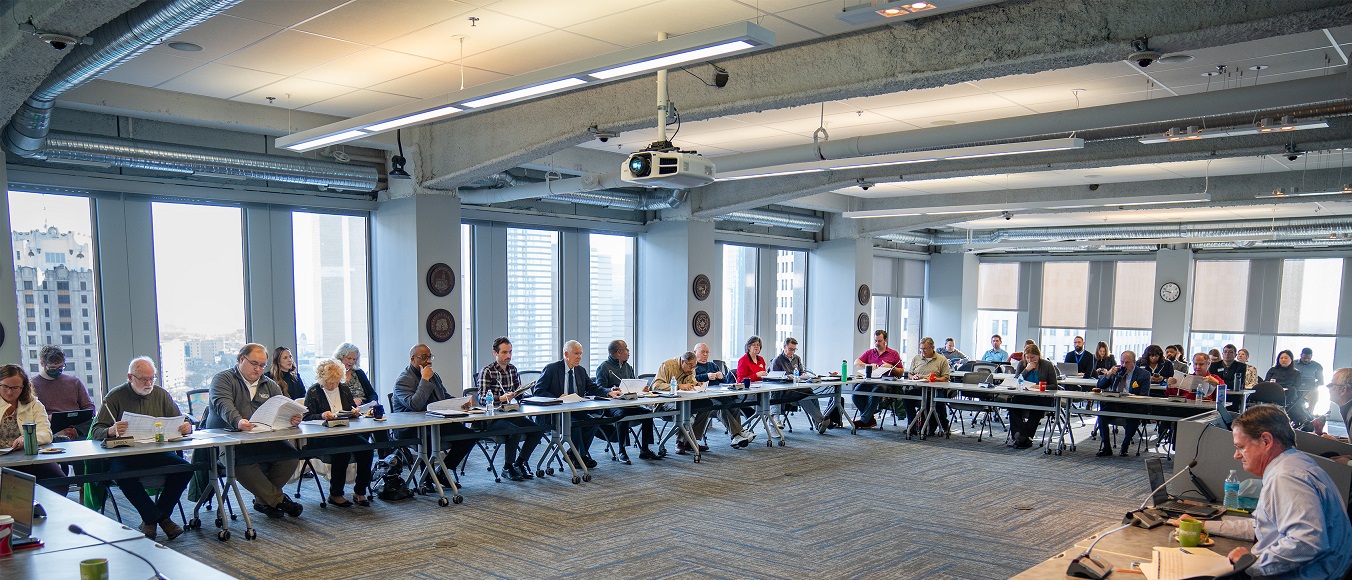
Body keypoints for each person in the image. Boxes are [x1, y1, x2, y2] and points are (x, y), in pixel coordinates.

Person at [1177, 405, 1352, 578]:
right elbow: (1263, 526)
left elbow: (1306, 540)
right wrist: (1204, 525)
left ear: (1266, 441)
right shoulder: (1295, 463)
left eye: (1240, 447)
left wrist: (1250, 564)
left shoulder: (1285, 476)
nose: (1236, 455)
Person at [91, 357, 193, 539]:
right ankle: (161, 519)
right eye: (143, 379)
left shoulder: (161, 394)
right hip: (124, 454)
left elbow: (181, 420)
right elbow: (96, 431)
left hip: (156, 452)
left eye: (152, 378)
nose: (148, 383)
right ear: (130, 377)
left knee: (185, 469)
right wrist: (111, 430)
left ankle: (152, 519)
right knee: (123, 475)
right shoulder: (115, 397)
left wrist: (186, 426)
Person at [203, 343, 303, 519]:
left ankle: (264, 500)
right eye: (254, 363)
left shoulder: (270, 385)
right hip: (228, 441)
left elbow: (280, 409)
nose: (258, 369)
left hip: (261, 439)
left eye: (262, 365)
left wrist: (291, 419)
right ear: (241, 359)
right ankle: (279, 500)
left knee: (291, 455)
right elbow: (223, 405)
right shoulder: (223, 379)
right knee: (241, 461)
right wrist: (238, 421)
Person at [391, 344, 476, 479]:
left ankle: (443, 471)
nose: (429, 361)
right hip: (411, 428)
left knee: (469, 436)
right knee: (429, 439)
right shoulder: (403, 380)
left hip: (434, 422)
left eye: (430, 357)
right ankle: (427, 479)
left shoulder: (433, 376)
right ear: (413, 359)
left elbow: (443, 396)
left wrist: (460, 403)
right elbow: (415, 405)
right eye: (424, 357)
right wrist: (424, 380)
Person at [535, 340, 623, 469]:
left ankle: (575, 454)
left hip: (576, 409)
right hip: (555, 412)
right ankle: (580, 457)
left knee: (593, 422)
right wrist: (557, 398)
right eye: (576, 353)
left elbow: (593, 387)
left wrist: (609, 392)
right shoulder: (552, 369)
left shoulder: (580, 371)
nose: (579, 357)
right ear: (566, 354)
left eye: (581, 354)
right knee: (574, 425)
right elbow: (538, 391)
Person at [302, 358, 374, 507]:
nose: (333, 385)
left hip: (344, 432)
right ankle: (336, 494)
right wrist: (322, 415)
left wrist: (354, 412)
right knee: (342, 451)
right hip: (322, 437)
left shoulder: (344, 388)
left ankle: (360, 491)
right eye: (329, 383)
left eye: (336, 382)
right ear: (322, 379)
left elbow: (349, 409)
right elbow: (306, 417)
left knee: (367, 449)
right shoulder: (314, 391)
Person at [657, 351, 755, 451]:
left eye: (693, 367)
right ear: (683, 362)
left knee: (707, 405)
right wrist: (678, 386)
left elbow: (693, 381)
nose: (691, 370)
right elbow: (656, 386)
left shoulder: (706, 366)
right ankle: (680, 442)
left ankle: (691, 440)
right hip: (667, 400)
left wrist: (697, 384)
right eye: (690, 367)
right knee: (686, 410)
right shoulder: (667, 365)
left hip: (688, 398)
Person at [477, 337, 546, 478]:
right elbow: (482, 399)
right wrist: (500, 398)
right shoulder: (487, 371)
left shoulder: (513, 369)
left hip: (510, 413)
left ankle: (519, 463)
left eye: (510, 352)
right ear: (495, 353)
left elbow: (518, 393)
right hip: (493, 417)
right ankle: (507, 467)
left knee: (538, 430)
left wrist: (530, 398)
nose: (508, 356)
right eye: (504, 352)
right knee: (515, 431)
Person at [0, 364, 66, 493]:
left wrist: (27, 439)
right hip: (2, 460)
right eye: (5, 387)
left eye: (15, 388)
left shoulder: (34, 405)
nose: (9, 392)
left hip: (30, 456)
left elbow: (46, 433)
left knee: (59, 481)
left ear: (23, 387)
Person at [770, 337, 835, 432]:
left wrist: (804, 375)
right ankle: (821, 420)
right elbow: (775, 378)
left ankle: (818, 423)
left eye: (794, 349)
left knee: (812, 395)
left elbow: (801, 372)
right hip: (785, 391)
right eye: (790, 349)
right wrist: (789, 376)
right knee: (804, 396)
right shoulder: (777, 361)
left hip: (799, 386)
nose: (792, 352)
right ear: (784, 347)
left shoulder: (797, 358)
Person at [30, 344, 94, 440]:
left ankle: (71, 432)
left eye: (61, 367)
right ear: (42, 364)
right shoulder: (32, 385)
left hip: (77, 427)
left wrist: (76, 427)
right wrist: (47, 417)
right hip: (50, 427)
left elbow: (89, 407)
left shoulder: (74, 382)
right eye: (52, 368)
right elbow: (30, 414)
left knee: (96, 423)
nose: (57, 371)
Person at [1094, 350, 1151, 457]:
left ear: (1134, 362)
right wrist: (1109, 374)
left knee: (1133, 418)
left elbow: (1144, 395)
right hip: (1114, 405)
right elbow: (1100, 385)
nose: (1124, 365)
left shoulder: (1144, 375)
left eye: (1127, 362)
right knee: (1101, 415)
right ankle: (1106, 447)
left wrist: (1129, 396)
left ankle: (1125, 446)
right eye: (1122, 362)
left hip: (1132, 406)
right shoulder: (1116, 371)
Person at [1007, 343, 1058, 449]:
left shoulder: (1047, 365)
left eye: (1032, 357)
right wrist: (1027, 369)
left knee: (1036, 409)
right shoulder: (1022, 364)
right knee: (1012, 404)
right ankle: (1024, 438)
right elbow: (1017, 380)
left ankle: (1021, 437)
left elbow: (1054, 386)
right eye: (1027, 357)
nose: (1030, 360)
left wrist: (1038, 386)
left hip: (1041, 397)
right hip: (1025, 395)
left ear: (1038, 356)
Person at [852, 330, 903, 430]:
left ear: (885, 340)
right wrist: (868, 365)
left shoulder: (893, 354)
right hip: (870, 380)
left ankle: (864, 420)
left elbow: (901, 373)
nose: (877, 343)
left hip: (884, 383)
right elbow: (856, 363)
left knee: (875, 392)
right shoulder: (870, 352)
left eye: (879, 341)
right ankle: (869, 419)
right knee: (856, 393)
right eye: (875, 341)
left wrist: (891, 367)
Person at [902, 337, 951, 437]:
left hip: (935, 389)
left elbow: (946, 378)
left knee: (937, 402)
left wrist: (935, 379)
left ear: (932, 348)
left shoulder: (941, 360)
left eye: (925, 349)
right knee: (907, 397)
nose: (922, 351)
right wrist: (913, 377)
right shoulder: (916, 358)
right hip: (919, 388)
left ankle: (943, 426)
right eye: (921, 349)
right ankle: (912, 424)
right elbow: (909, 374)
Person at [333, 342, 376, 406]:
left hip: (364, 408)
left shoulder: (359, 373)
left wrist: (373, 402)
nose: (351, 362)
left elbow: (371, 393)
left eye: (354, 359)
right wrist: (351, 402)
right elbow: (333, 399)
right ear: (340, 357)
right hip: (347, 410)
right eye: (349, 358)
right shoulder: (334, 374)